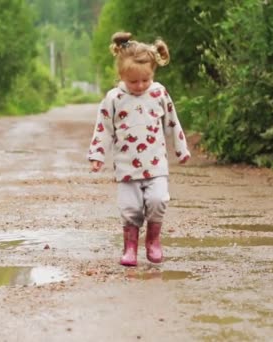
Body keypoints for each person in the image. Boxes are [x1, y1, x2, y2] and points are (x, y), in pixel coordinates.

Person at [87, 32, 190, 266]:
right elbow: (103, 128)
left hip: (156, 165)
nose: (140, 86)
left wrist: (181, 149)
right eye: (133, 82)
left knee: (158, 200)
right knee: (130, 207)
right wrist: (97, 155)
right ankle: (130, 247)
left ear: (152, 74)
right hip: (126, 168)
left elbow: (172, 122)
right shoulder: (114, 98)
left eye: (145, 80)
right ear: (121, 75)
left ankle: (153, 240)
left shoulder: (159, 93)